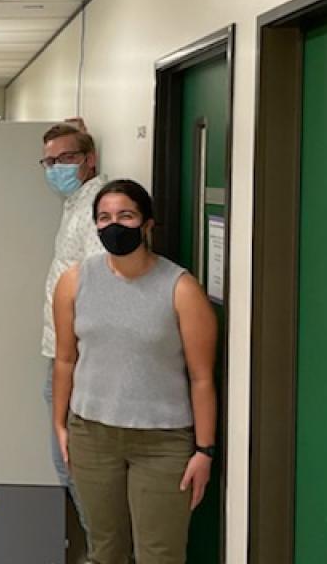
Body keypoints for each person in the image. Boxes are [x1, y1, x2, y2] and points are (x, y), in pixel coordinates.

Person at [52, 180, 218, 564]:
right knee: (105, 550)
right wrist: (59, 424)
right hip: (91, 435)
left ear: (147, 224)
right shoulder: (75, 282)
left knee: (159, 554)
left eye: (125, 215)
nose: (114, 225)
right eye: (104, 217)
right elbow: (65, 359)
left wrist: (204, 450)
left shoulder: (180, 288)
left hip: (162, 442)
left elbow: (202, 378)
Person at [39, 119, 105, 549]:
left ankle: (105, 549)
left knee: (73, 462)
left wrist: (73, 360)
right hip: (62, 352)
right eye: (49, 161)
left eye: (66, 158)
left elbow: (97, 286)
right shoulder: (75, 203)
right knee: (69, 460)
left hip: (79, 359)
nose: (56, 168)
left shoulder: (98, 204)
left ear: (89, 159)